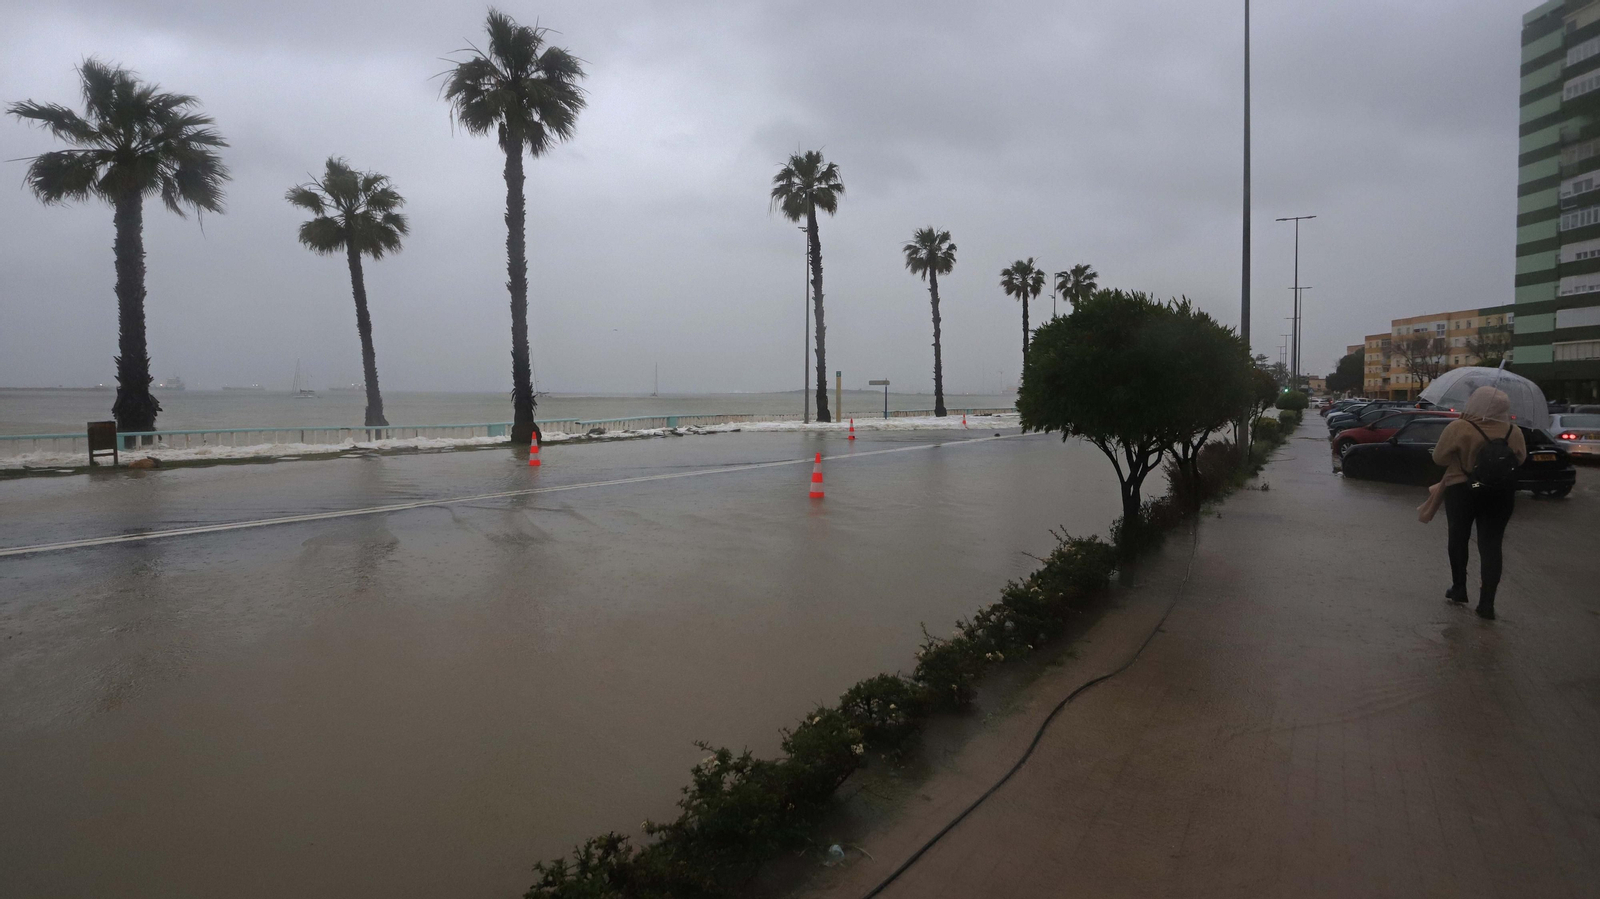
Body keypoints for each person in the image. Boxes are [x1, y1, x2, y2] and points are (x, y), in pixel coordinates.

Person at [1431, 386, 1526, 620]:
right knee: (1492, 545)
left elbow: (1439, 458)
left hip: (1466, 489)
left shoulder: (1460, 427)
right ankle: (1487, 604)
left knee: (1458, 537)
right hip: (1500, 493)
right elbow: (1520, 459)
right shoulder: (1514, 430)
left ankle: (1459, 588)